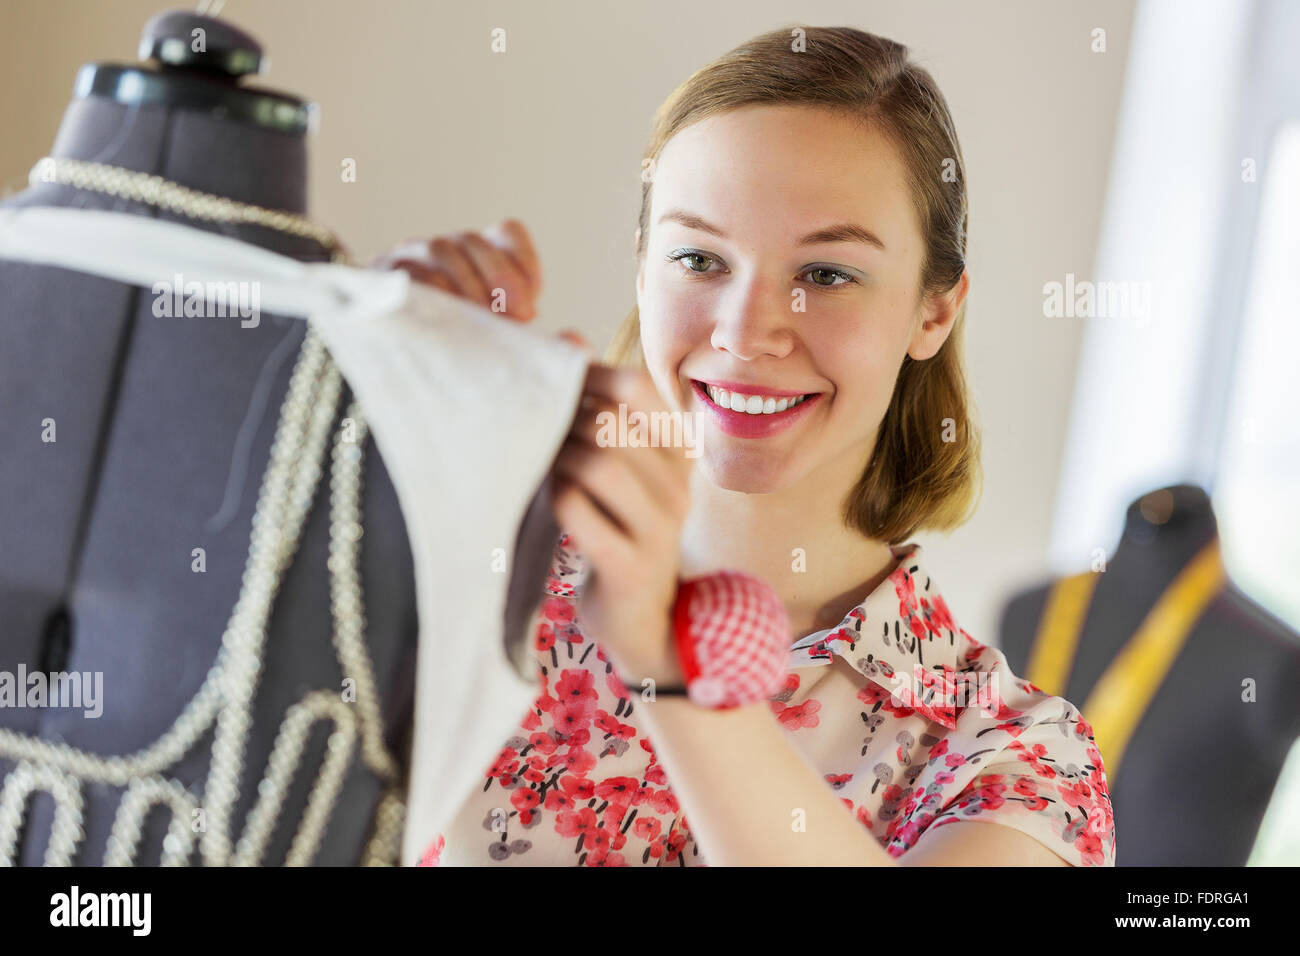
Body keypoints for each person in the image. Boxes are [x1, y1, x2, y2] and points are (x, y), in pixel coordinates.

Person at [378, 25, 1116, 866]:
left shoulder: (1014, 762)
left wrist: (669, 661)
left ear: (933, 312)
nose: (747, 332)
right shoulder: (468, 580)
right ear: (642, 268)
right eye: (699, 258)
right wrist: (347, 389)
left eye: (826, 274)